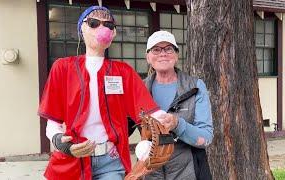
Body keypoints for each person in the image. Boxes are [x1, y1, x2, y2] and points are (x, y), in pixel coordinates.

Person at [38, 6, 171, 180]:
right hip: (72, 159)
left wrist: (166, 120)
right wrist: (59, 141)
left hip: (111, 159)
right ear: (82, 29)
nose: (102, 28)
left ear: (113, 33)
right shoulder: (62, 68)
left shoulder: (123, 71)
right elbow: (53, 121)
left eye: (108, 25)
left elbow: (148, 110)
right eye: (93, 23)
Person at [143, 30, 214, 180]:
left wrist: (177, 124)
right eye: (156, 49)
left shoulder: (195, 87)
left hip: (187, 170)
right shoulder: (139, 89)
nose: (163, 54)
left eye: (168, 49)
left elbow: (206, 137)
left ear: (176, 55)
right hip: (149, 171)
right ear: (148, 57)